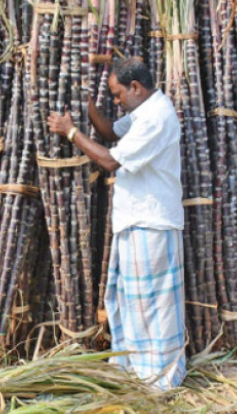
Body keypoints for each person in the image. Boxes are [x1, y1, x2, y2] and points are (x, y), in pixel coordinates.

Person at [46, 56, 186, 391]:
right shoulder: (143, 113)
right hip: (137, 222)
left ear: (136, 87)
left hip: (151, 223)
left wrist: (71, 132)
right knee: (131, 302)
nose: (117, 101)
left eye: (118, 94)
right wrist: (88, 102)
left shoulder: (157, 117)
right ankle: (138, 372)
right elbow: (109, 132)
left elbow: (109, 160)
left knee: (153, 306)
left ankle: (160, 379)